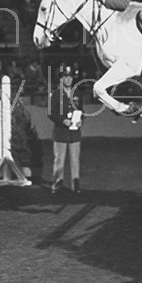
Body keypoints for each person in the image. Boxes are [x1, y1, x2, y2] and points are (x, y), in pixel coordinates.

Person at [48, 65, 84, 194]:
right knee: (59, 160)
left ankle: (76, 184)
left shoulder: (78, 94)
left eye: (70, 77)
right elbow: (51, 113)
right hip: (61, 131)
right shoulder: (56, 94)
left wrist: (81, 121)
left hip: (75, 132)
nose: (68, 79)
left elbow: (82, 111)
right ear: (61, 79)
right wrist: (62, 120)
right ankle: (57, 183)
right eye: (65, 77)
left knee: (75, 159)